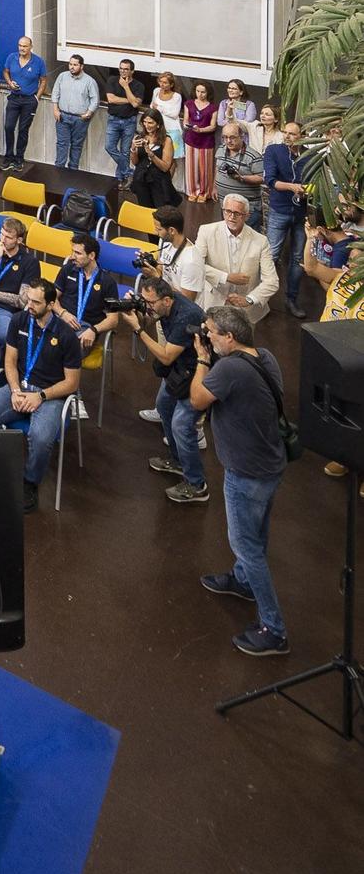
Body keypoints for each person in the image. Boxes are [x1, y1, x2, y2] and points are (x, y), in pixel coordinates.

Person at [189, 307, 289, 655]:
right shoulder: (265, 357)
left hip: (246, 473)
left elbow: (197, 399)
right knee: (256, 537)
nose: (208, 336)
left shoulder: (228, 367)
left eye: (212, 332)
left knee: (247, 546)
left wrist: (203, 359)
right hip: (269, 465)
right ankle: (243, 581)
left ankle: (274, 629)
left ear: (229, 337)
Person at [0, 279, 82, 510]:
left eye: (36, 302)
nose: (29, 305)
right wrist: (15, 390)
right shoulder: (19, 320)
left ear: (51, 304)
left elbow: (72, 383)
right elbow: (10, 361)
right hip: (20, 387)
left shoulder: (66, 336)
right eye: (29, 300)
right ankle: (5, 467)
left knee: (41, 438)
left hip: (50, 396)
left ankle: (30, 481)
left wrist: (41, 396)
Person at [118, 274, 208, 502]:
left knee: (181, 425)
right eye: (144, 301)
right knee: (164, 407)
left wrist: (138, 330)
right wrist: (139, 313)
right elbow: (151, 319)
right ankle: (178, 462)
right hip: (180, 371)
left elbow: (166, 357)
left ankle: (197, 485)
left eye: (150, 303)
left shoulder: (186, 316)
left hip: (198, 373)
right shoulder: (163, 307)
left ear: (166, 300)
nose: (148, 306)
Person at [192, 195, 279, 323]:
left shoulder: (261, 241)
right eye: (228, 211)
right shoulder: (206, 231)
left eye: (237, 213)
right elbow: (196, 266)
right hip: (213, 302)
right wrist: (226, 277)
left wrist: (249, 299)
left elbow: (272, 281)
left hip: (246, 310)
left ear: (247, 216)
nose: (231, 217)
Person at [262, 121, 310, 317]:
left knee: (298, 259)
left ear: (302, 136)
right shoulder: (274, 150)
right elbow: (270, 180)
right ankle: (261, 299)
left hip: (301, 213)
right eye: (285, 132)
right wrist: (293, 187)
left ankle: (291, 299)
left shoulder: (309, 155)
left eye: (292, 134)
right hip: (279, 210)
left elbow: (313, 180)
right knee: (271, 255)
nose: (287, 136)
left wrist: (307, 191)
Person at [1, 35, 47, 164]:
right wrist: (9, 83)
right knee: (9, 127)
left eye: (25, 46)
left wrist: (36, 98)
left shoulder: (39, 62)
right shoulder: (12, 57)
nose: (22, 48)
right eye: (20, 45)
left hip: (29, 101)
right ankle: (8, 156)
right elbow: (5, 71)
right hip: (14, 98)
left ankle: (19, 158)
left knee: (23, 130)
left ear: (31, 47)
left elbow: (43, 81)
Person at [51, 54, 99, 170]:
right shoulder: (62, 76)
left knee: (76, 145)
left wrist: (88, 113)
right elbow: (55, 93)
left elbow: (95, 99)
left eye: (75, 65)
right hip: (62, 116)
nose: (72, 67)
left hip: (79, 119)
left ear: (81, 66)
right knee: (62, 144)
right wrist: (55, 109)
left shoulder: (89, 81)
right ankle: (59, 169)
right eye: (70, 64)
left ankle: (73, 170)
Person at [183, 81, 219, 200]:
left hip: (206, 140)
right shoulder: (189, 103)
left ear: (208, 93)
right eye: (198, 91)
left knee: (205, 168)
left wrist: (201, 130)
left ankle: (204, 192)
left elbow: (213, 126)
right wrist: (187, 126)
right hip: (191, 138)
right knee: (191, 167)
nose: (200, 94)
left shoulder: (213, 107)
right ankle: (192, 191)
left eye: (203, 92)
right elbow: (186, 120)